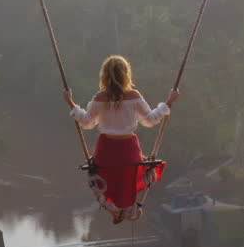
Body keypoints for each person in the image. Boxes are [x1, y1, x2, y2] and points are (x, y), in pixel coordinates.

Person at [64, 55, 180, 223]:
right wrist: (169, 101)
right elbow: (150, 120)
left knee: (100, 178)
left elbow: (87, 123)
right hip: (129, 151)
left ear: (104, 75)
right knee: (137, 173)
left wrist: (70, 102)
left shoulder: (99, 98)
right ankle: (124, 208)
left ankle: (111, 207)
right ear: (126, 74)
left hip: (105, 151)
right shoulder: (133, 96)